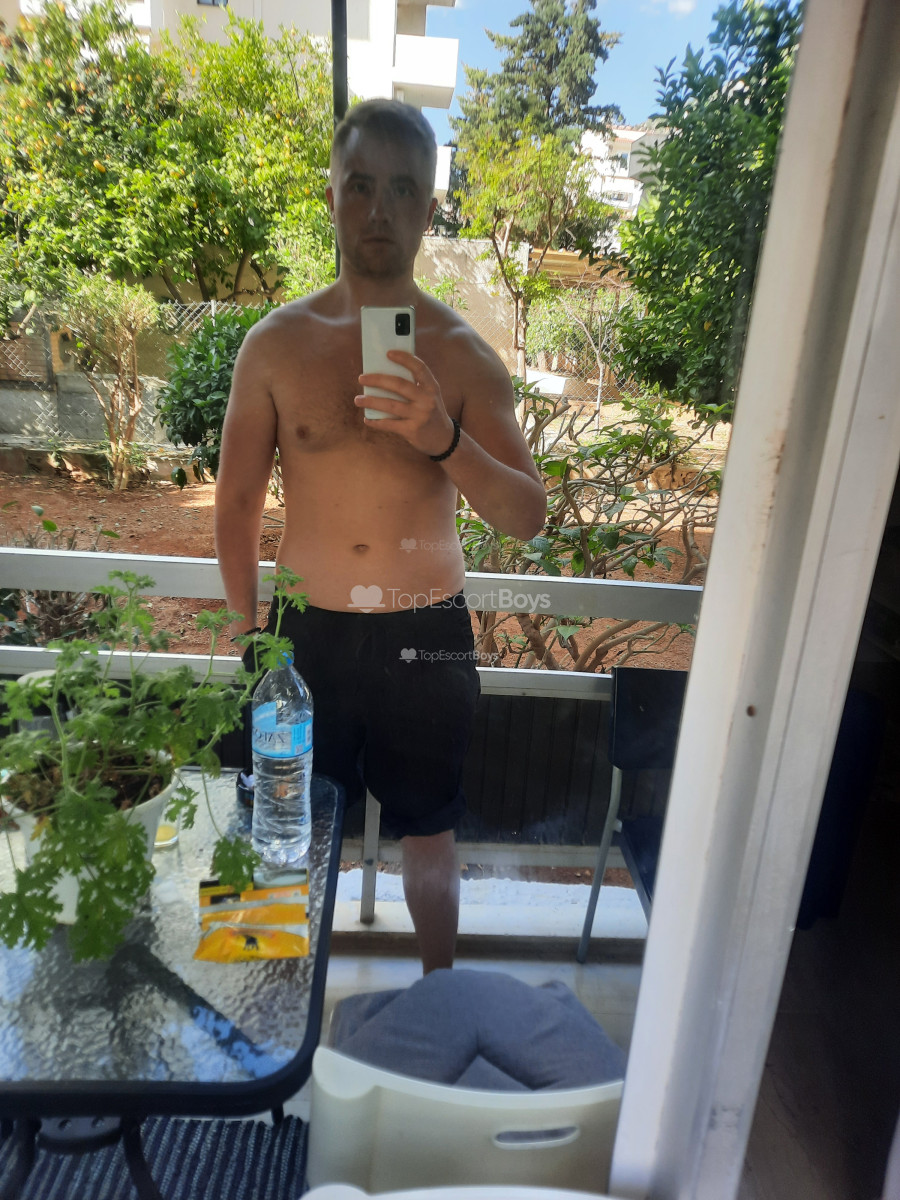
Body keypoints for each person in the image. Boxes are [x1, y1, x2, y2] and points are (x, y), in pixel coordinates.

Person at [214, 99, 546, 973]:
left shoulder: (464, 355)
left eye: (402, 190)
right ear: (331, 196)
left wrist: (442, 435)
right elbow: (236, 502)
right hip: (301, 638)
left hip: (424, 633)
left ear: (429, 210)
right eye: (360, 185)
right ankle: (264, 1010)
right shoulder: (274, 345)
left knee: (429, 830)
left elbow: (526, 515)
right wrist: (249, 638)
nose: (378, 209)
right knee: (275, 821)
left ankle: (442, 993)